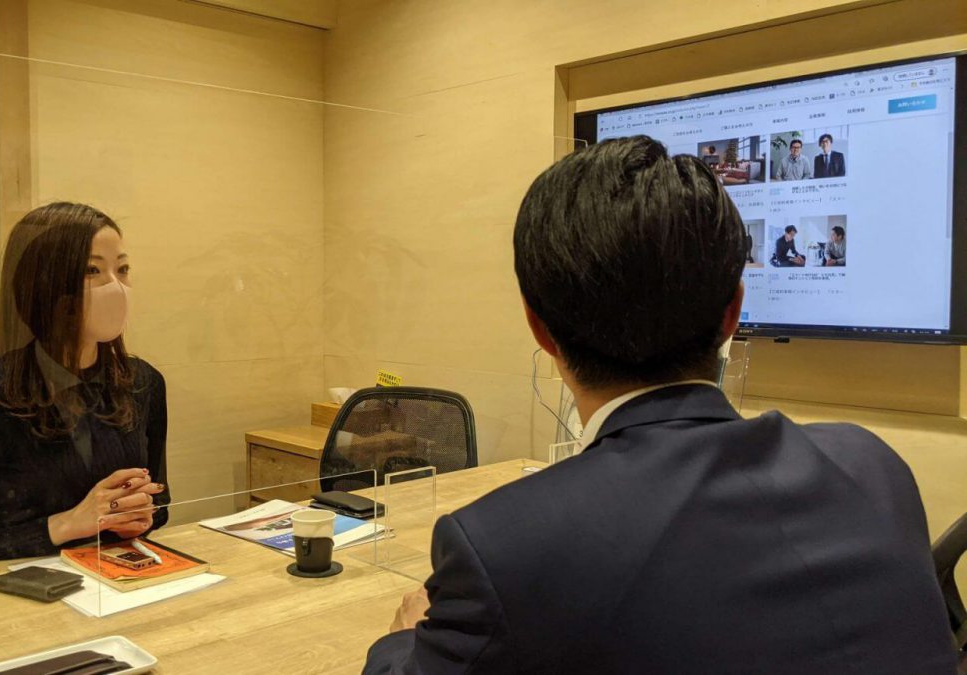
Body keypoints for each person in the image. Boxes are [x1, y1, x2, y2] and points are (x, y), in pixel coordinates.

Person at [363, 136, 954, 674]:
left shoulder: (504, 547)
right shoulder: (872, 466)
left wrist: (403, 639)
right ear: (733, 313)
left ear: (539, 328)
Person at [0, 202, 170, 568]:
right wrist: (69, 523)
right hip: (25, 586)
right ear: (45, 284)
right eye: (93, 270)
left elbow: (160, 505)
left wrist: (139, 515)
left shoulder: (143, 383)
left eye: (122, 269)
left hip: (118, 577)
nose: (116, 287)